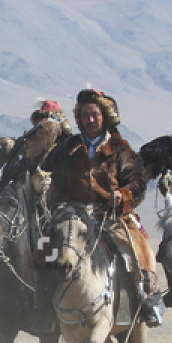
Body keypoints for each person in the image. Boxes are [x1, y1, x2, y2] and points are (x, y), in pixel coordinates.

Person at [40, 89, 163, 326]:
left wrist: (123, 194)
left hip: (111, 214)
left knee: (137, 248)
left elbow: (137, 182)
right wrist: (49, 188)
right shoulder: (69, 147)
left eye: (94, 114)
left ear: (104, 116)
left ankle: (147, 300)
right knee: (45, 246)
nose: (90, 119)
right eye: (85, 114)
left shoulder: (120, 148)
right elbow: (52, 174)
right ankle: (43, 302)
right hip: (73, 212)